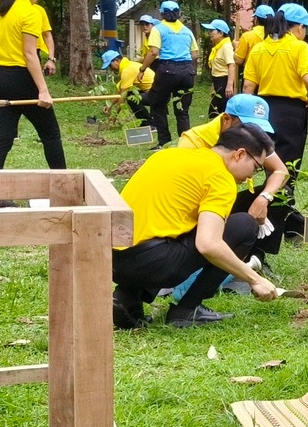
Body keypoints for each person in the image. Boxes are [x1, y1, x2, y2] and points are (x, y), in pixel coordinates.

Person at [112, 122, 280, 328]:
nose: (252, 176)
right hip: (153, 263)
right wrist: (254, 279)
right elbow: (208, 244)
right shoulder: (220, 178)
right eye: (256, 167)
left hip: (112, 261)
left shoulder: (167, 155)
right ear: (239, 154)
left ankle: (127, 298)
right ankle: (187, 310)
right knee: (244, 225)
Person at [242, 2, 308, 238]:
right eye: (305, 29)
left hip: (262, 112)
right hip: (291, 114)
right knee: (286, 171)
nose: (305, 34)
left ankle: (289, 222)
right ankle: (280, 226)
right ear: (297, 27)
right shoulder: (299, 48)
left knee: (270, 167)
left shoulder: (258, 49)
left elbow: (247, 87)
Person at [179, 93, 290, 257]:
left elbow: (281, 171)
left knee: (282, 193)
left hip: (225, 198)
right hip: (201, 208)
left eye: (258, 129)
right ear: (226, 120)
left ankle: (256, 253)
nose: (252, 133)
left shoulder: (251, 139)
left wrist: (264, 198)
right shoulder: (193, 142)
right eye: (246, 126)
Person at [0, 0, 65, 171]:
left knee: (2, 138)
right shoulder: (29, 12)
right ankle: (64, 185)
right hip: (21, 79)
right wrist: (43, 90)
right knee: (50, 134)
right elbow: (29, 54)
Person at [141, 0, 200, 147]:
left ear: (161, 13)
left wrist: (142, 69)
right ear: (179, 13)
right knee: (182, 110)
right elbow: (195, 53)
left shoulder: (159, 29)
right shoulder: (187, 31)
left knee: (158, 105)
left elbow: (153, 51)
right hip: (187, 71)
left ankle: (164, 142)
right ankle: (184, 145)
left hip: (167, 70)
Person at [103, 49, 155, 123]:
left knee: (131, 99)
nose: (110, 69)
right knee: (130, 94)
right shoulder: (128, 65)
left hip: (158, 94)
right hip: (155, 91)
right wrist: (110, 106)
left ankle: (149, 124)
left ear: (117, 61)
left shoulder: (127, 71)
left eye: (110, 65)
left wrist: (114, 116)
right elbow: (120, 92)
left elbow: (122, 97)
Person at [233, 4, 275, 90]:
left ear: (256, 19)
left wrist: (236, 47)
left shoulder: (248, 36)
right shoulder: (276, 37)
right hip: (271, 78)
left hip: (251, 77)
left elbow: (238, 60)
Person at [204, 19, 236, 119]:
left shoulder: (226, 47)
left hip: (224, 81)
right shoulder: (218, 47)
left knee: (220, 111)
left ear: (221, 33)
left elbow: (232, 65)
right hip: (218, 81)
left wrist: (229, 85)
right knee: (214, 111)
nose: (209, 33)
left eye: (212, 31)